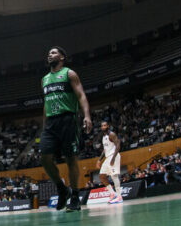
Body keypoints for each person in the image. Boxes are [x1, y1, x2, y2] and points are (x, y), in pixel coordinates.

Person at [40, 46, 92, 212]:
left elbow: (81, 95)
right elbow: (46, 103)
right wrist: (43, 126)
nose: (50, 55)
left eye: (54, 53)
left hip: (68, 119)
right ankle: (62, 188)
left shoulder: (69, 74)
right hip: (50, 123)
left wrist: (87, 116)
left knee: (71, 159)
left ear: (62, 57)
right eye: (49, 53)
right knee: (44, 158)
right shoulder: (44, 79)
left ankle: (75, 196)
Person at [96, 121, 122, 204]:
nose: (103, 127)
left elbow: (118, 145)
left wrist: (113, 158)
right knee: (102, 176)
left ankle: (119, 197)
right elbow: (105, 150)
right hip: (107, 157)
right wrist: (99, 160)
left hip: (114, 156)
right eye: (102, 126)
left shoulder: (112, 134)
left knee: (114, 176)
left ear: (108, 126)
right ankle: (112, 193)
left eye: (105, 125)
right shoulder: (103, 137)